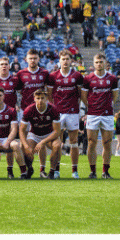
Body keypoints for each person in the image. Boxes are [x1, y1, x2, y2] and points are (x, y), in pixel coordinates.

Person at [46, 49, 84, 179]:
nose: (65, 61)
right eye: (63, 59)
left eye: (68, 59)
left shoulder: (77, 76)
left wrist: (75, 106)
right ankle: (56, 170)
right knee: (58, 143)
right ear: (59, 61)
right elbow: (49, 95)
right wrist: (55, 109)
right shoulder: (53, 76)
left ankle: (74, 171)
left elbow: (80, 94)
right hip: (58, 113)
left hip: (72, 111)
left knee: (74, 141)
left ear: (71, 60)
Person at [81, 53, 118, 179]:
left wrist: (108, 105)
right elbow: (84, 97)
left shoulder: (112, 79)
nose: (99, 64)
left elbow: (115, 96)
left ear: (105, 63)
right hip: (93, 114)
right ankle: (92, 171)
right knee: (91, 142)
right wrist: (91, 106)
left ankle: (105, 171)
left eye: (101, 62)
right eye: (96, 62)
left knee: (107, 142)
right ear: (93, 63)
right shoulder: (88, 79)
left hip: (107, 115)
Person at [0, 87, 27, 179]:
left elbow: (14, 129)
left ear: (4, 96)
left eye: (0, 95)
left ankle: (23, 172)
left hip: (7, 138)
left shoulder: (11, 110)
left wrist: (7, 141)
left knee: (15, 145)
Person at [19, 89, 61, 179]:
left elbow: (57, 131)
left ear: (46, 99)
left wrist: (43, 142)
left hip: (49, 134)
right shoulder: (28, 110)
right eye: (38, 98)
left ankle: (52, 172)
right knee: (23, 146)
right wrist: (26, 146)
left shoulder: (53, 109)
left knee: (57, 145)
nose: (40, 100)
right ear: (34, 99)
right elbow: (21, 130)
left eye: (42, 98)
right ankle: (29, 169)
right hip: (35, 134)